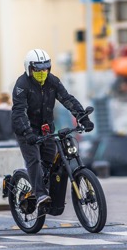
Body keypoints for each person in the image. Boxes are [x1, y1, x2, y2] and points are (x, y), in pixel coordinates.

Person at [12, 48, 94, 209]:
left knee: (51, 163)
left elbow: (67, 99)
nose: (42, 72)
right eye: (37, 69)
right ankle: (40, 194)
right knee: (34, 159)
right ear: (29, 68)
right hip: (26, 130)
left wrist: (83, 117)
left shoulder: (53, 81)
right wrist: (27, 132)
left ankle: (48, 190)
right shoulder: (22, 85)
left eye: (45, 68)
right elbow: (18, 111)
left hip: (46, 129)